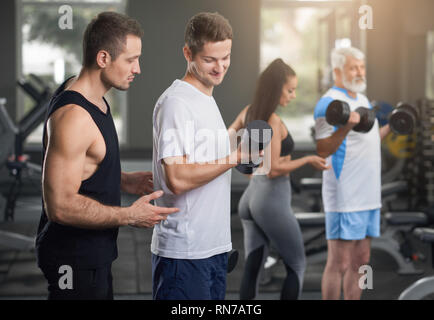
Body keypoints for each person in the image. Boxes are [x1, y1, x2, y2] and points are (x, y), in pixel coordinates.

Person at [36, 11, 179, 300]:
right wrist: (129, 215)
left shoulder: (92, 96)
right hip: (73, 263)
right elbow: (60, 206)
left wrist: (123, 180)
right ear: (103, 58)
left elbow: (84, 167)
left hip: (94, 257)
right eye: (130, 59)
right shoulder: (74, 116)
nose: (137, 68)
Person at [151, 12, 246, 300]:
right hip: (184, 254)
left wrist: (240, 143)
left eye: (226, 57)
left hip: (214, 247)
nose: (220, 67)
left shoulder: (206, 97)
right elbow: (177, 178)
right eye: (210, 60)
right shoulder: (176, 103)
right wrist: (235, 157)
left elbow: (203, 158)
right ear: (188, 53)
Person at [229, 58, 330, 300]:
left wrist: (248, 162)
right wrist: (307, 160)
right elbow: (273, 171)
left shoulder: (249, 111)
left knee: (254, 266)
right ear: (276, 89)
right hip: (270, 201)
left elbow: (228, 139)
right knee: (296, 265)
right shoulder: (272, 120)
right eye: (290, 90)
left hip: (250, 199)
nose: (294, 96)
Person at [314, 47, 391, 300]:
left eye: (361, 66)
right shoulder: (328, 104)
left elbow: (368, 141)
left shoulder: (363, 99)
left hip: (369, 194)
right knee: (340, 263)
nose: (359, 72)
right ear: (337, 71)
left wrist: (393, 126)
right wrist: (346, 126)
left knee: (361, 260)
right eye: (353, 67)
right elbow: (323, 149)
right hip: (345, 195)